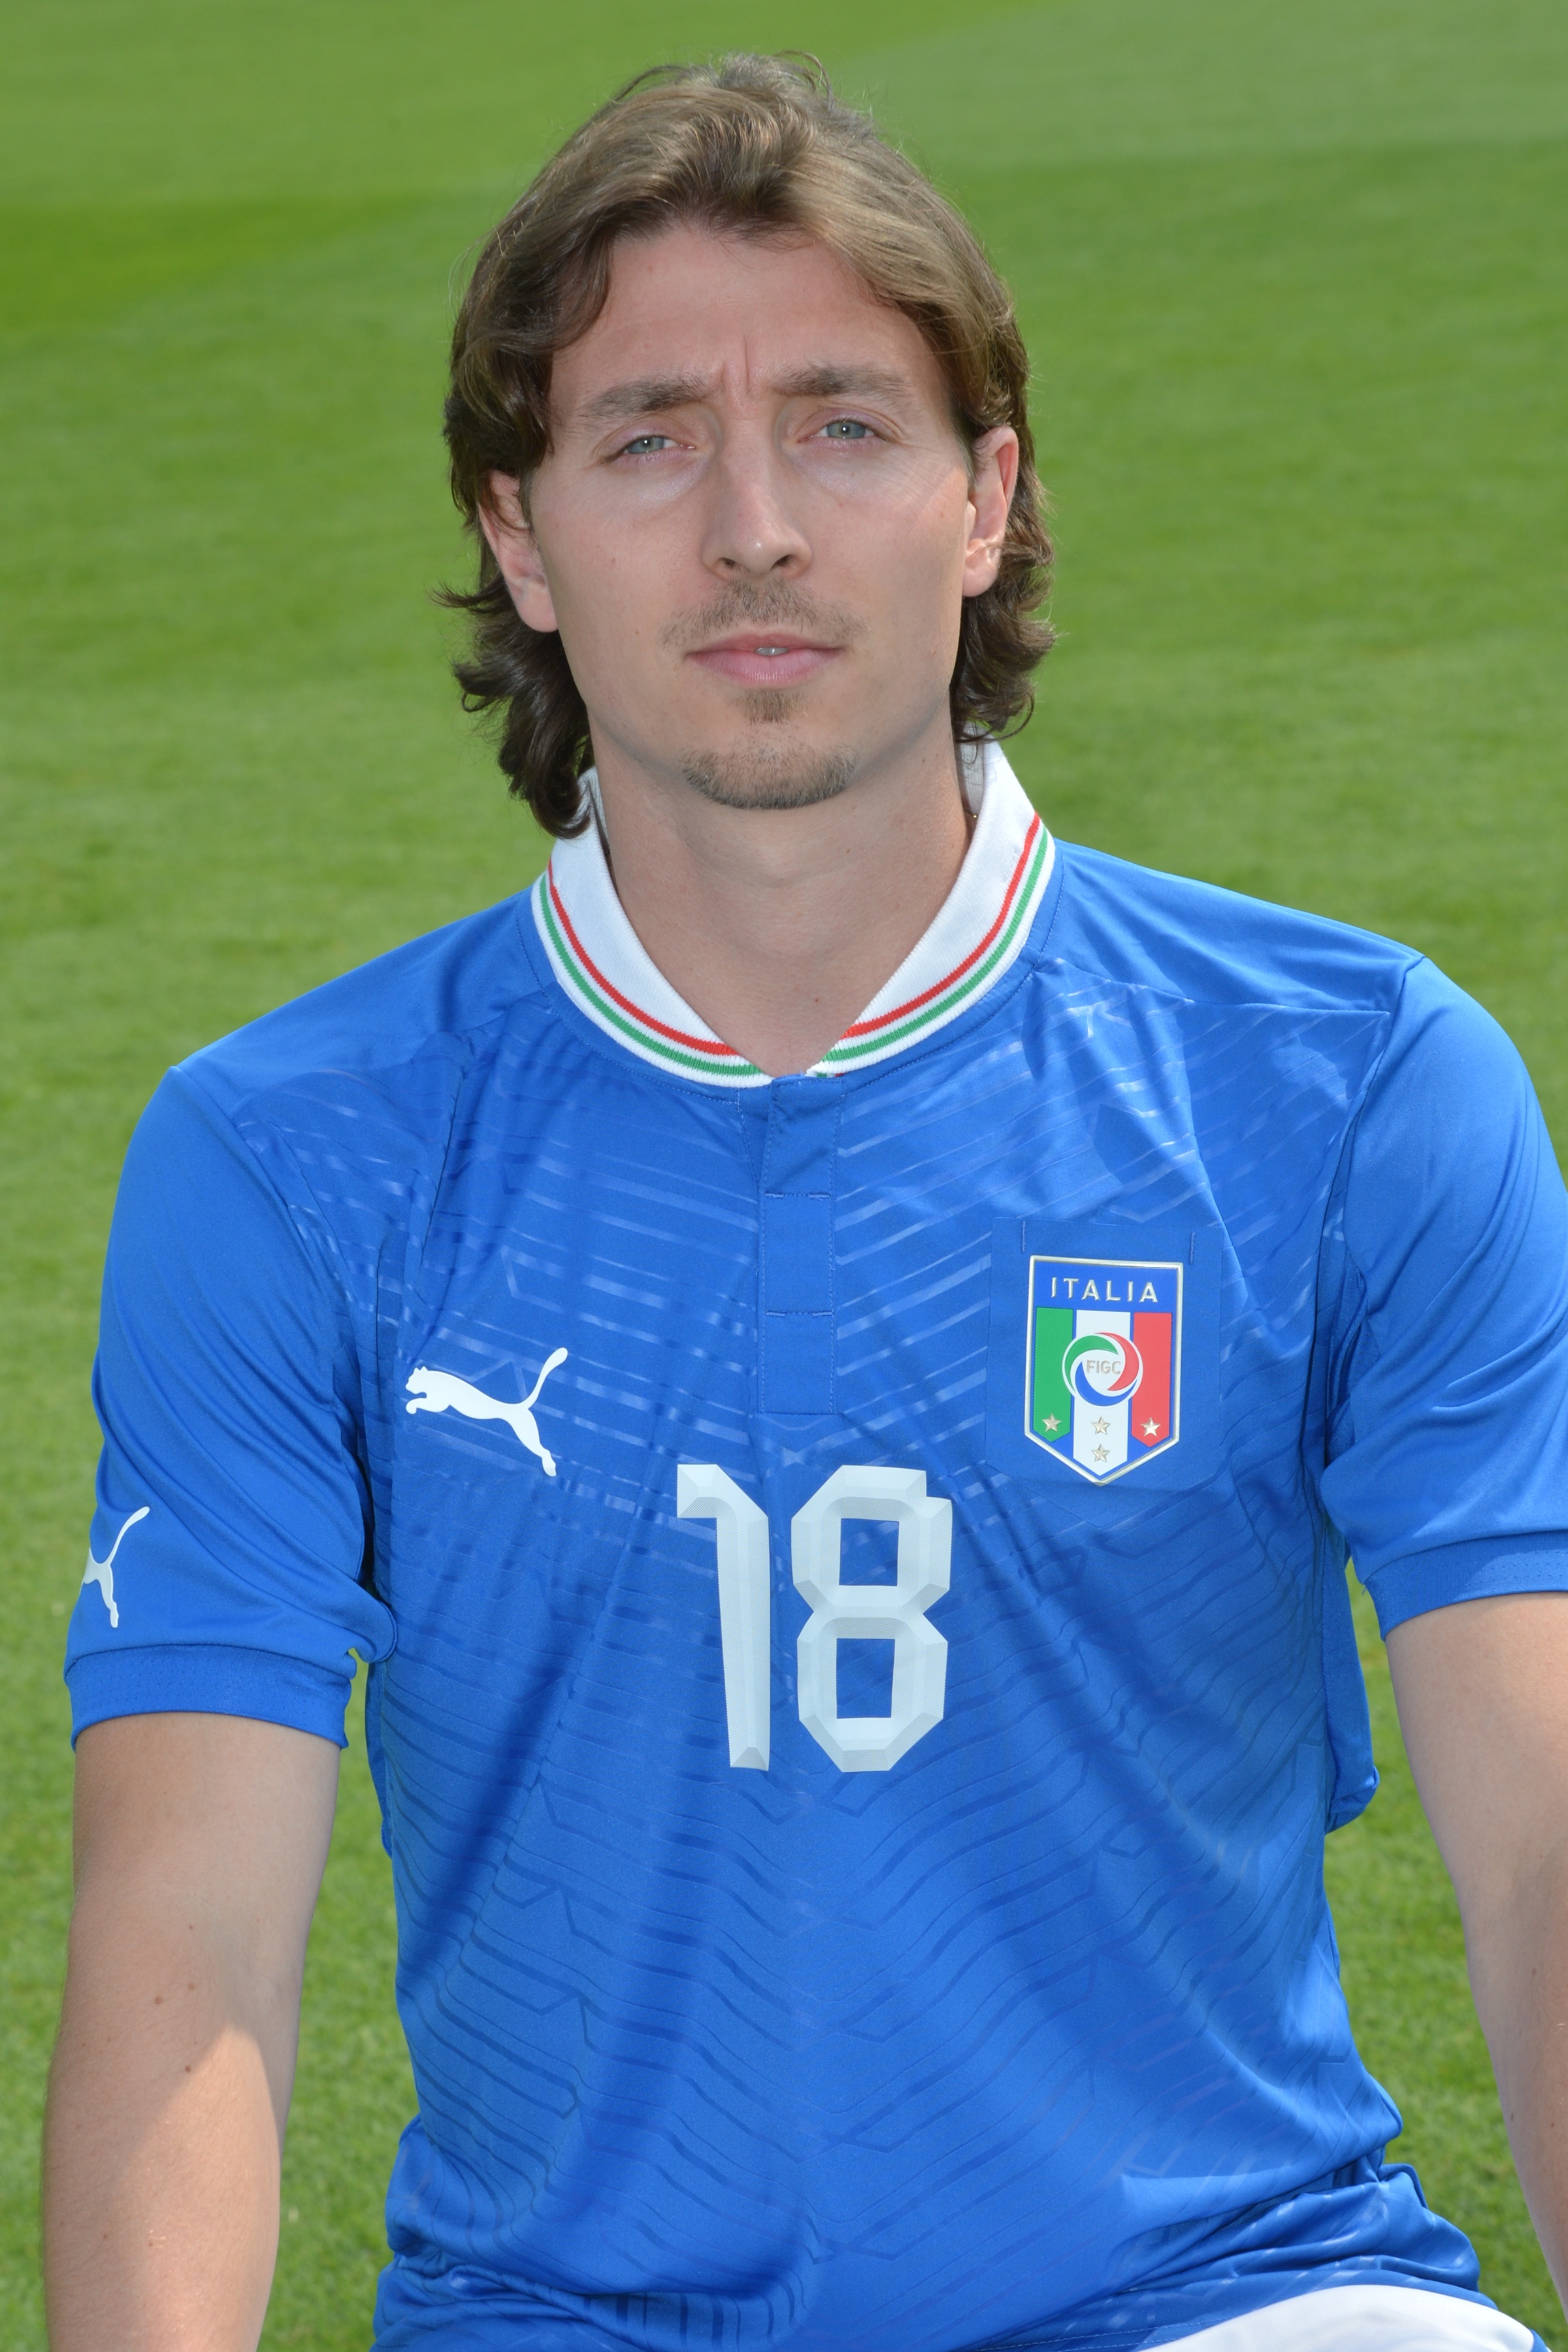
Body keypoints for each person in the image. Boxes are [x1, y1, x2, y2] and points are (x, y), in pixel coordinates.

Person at [42, 52, 1568, 2352]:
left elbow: (1546, 1856)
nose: (753, 525)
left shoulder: (1352, 1086)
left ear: (985, 500)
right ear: (522, 534)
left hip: (1235, 2301)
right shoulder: (291, 1155)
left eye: (846, 425)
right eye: (650, 438)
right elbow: (194, 1952)